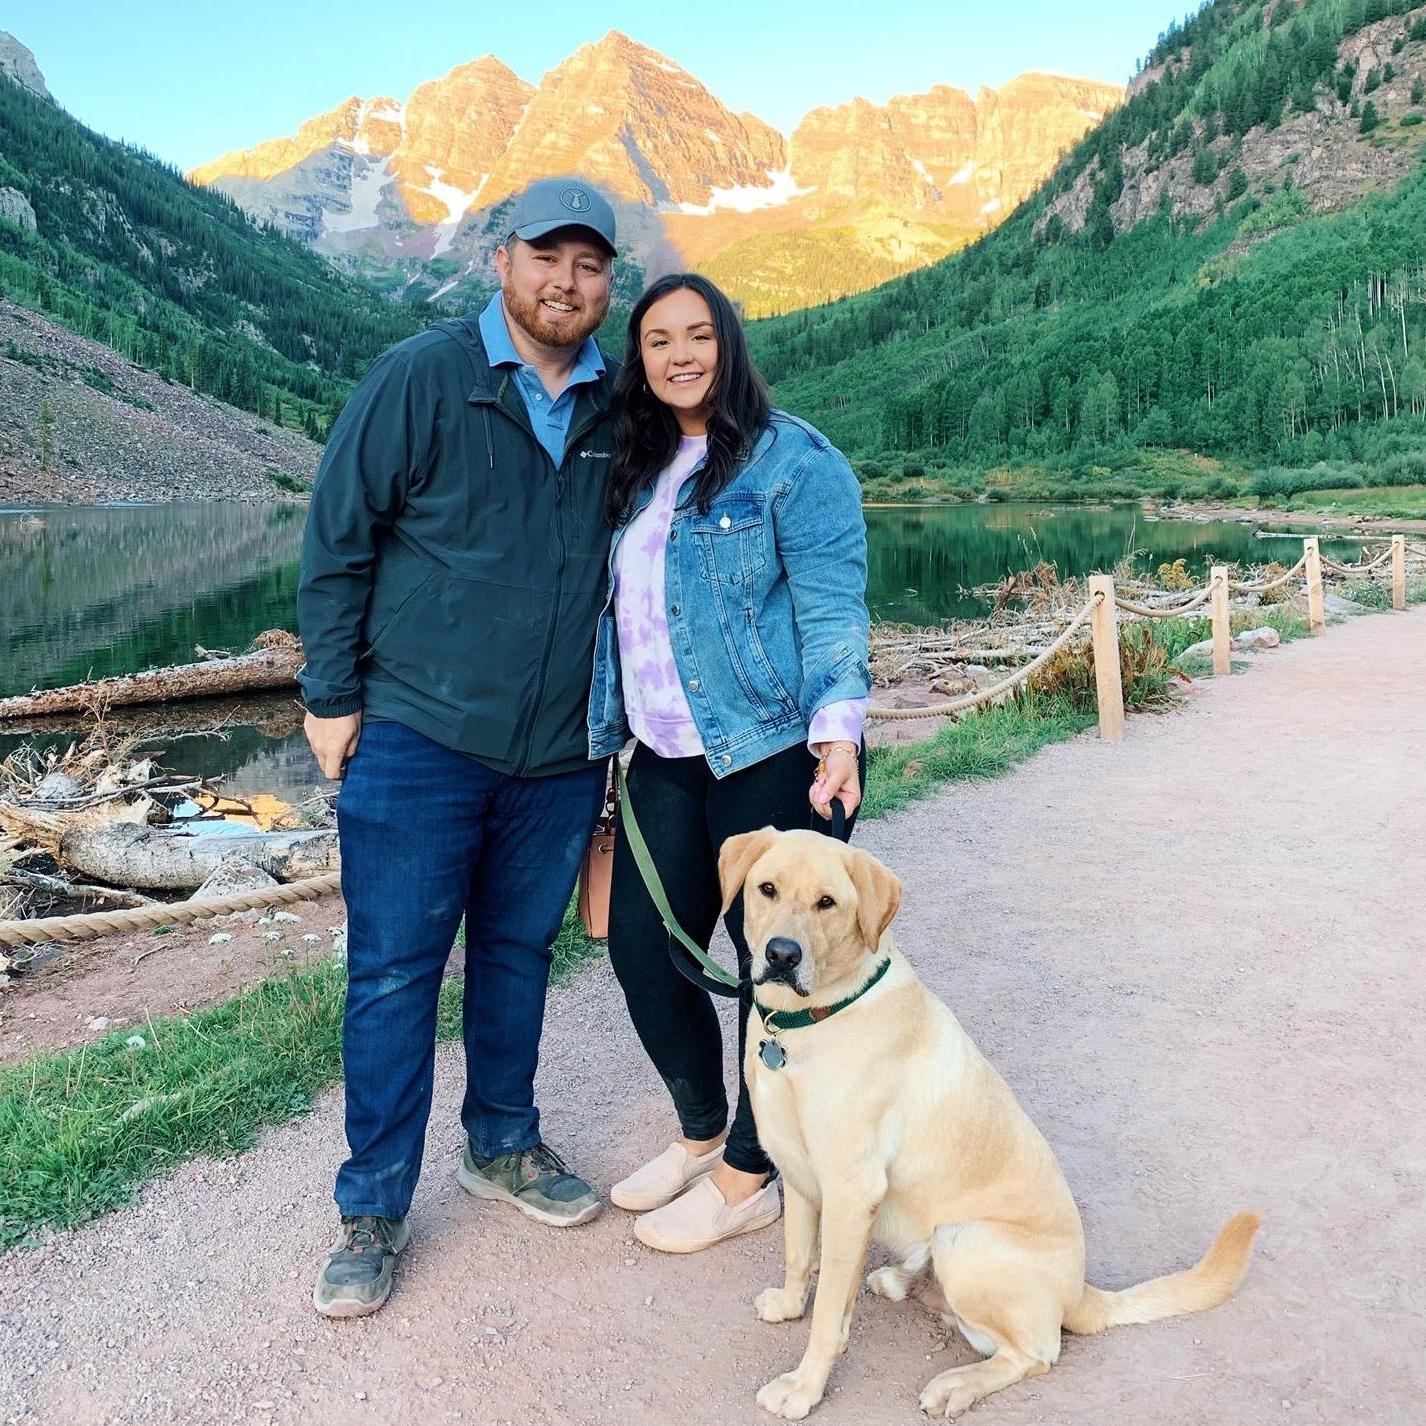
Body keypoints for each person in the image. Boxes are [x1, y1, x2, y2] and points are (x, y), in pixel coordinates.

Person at [297, 178, 622, 1318]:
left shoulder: (615, 407)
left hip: (554, 754)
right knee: (392, 973)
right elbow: (338, 534)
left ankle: (502, 1141)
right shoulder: (424, 375)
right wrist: (330, 695)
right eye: (547, 257)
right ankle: (374, 1205)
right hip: (417, 740)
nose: (565, 282)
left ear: (606, 284)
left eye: (588, 266)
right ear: (502, 259)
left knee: (518, 955)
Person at [587, 272, 870, 1254]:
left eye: (697, 335)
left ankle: (752, 1173)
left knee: (774, 972)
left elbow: (833, 605)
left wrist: (838, 732)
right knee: (641, 950)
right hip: (662, 753)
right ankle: (704, 1130)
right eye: (657, 340)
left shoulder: (794, 459)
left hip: (771, 750)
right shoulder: (639, 462)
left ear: (728, 343)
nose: (678, 355)